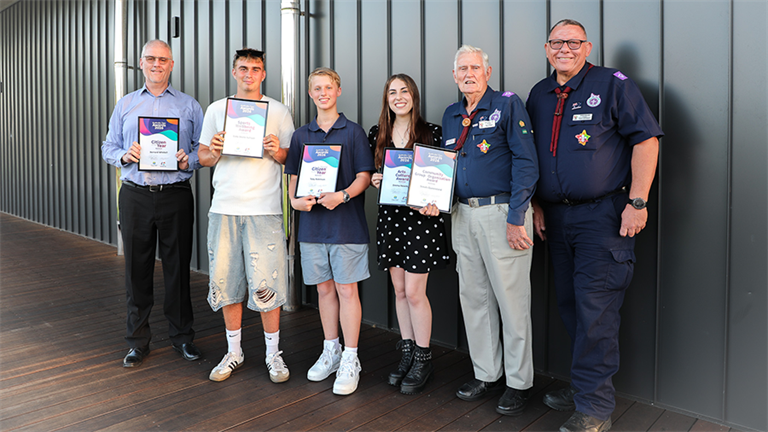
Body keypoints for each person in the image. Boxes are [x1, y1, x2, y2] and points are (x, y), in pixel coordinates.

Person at [525, 19, 662, 432]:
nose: (564, 48)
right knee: (570, 306)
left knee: (596, 310)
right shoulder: (539, 93)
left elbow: (646, 140)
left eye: (573, 42)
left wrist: (638, 202)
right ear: (547, 48)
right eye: (556, 42)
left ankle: (595, 407)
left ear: (587, 47)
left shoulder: (612, 84)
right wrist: (534, 203)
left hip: (603, 218)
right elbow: (529, 155)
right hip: (556, 217)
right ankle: (585, 386)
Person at [441, 45, 539, 416]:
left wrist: (517, 216)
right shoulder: (452, 115)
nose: (468, 74)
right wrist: (436, 198)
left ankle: (518, 382)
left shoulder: (507, 105)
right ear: (454, 76)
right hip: (463, 216)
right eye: (462, 69)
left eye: (474, 68)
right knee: (474, 299)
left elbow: (527, 163)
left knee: (512, 302)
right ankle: (487, 373)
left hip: (503, 215)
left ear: (488, 71)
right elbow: (448, 168)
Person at [101, 40, 204, 368]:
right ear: (141, 63)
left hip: (175, 195)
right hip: (135, 194)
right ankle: (137, 341)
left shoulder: (189, 106)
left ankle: (182, 337)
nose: (156, 64)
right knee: (136, 270)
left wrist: (189, 160)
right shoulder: (126, 104)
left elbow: (202, 149)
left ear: (171, 64)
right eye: (150, 59)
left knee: (178, 269)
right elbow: (108, 146)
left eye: (163, 59)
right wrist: (123, 155)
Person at [197, 48, 295, 383]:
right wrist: (214, 149)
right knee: (227, 283)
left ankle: (273, 354)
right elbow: (203, 158)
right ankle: (234, 351)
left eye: (255, 69)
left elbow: (290, 158)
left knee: (267, 285)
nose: (249, 74)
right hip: (224, 207)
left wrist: (275, 150)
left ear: (263, 74)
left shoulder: (278, 112)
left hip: (264, 210)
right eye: (243, 68)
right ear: (235, 72)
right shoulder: (217, 110)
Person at [284, 67, 375, 395]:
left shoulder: (352, 132)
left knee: (347, 290)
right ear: (311, 94)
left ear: (338, 91)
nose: (323, 93)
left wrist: (344, 195)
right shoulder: (300, 135)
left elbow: (364, 176)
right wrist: (295, 202)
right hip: (312, 228)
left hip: (346, 226)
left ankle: (351, 357)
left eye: (329, 87)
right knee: (324, 291)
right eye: (317, 88)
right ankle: (331, 350)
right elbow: (292, 180)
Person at [368, 74, 450, 394]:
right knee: (400, 291)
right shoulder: (378, 133)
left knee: (416, 293)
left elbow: (443, 181)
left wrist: (435, 205)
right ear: (386, 98)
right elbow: (376, 173)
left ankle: (424, 358)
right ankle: (407, 351)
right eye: (392, 92)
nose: (399, 96)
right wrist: (377, 180)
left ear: (414, 96)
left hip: (421, 223)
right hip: (390, 219)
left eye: (404, 91)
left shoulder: (432, 132)